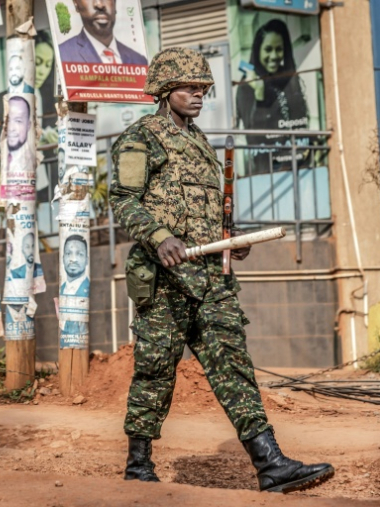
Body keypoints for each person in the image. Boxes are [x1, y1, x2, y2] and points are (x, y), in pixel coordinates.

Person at [109, 48, 334, 493]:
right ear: (165, 89)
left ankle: (270, 464)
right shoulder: (141, 138)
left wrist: (232, 240)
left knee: (234, 366)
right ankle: (138, 465)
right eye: (191, 87)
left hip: (213, 279)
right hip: (166, 280)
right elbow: (123, 200)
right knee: (156, 370)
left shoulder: (198, 140)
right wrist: (159, 238)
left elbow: (203, 209)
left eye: (204, 88)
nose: (199, 94)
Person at [235, 19, 309, 175]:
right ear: (258, 51)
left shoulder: (289, 79)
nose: (274, 56)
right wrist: (259, 93)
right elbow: (254, 135)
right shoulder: (246, 87)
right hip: (266, 170)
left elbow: (301, 119)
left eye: (279, 49)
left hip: (297, 163)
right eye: (268, 49)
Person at [58, 0, 147, 65]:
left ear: (115, 3)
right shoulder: (63, 55)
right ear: (76, 4)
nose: (100, 5)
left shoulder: (140, 61)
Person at [6, 96, 33, 171]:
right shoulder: (5, 156)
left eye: (18, 121)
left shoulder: (30, 160)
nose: (11, 128)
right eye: (8, 120)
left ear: (28, 125)